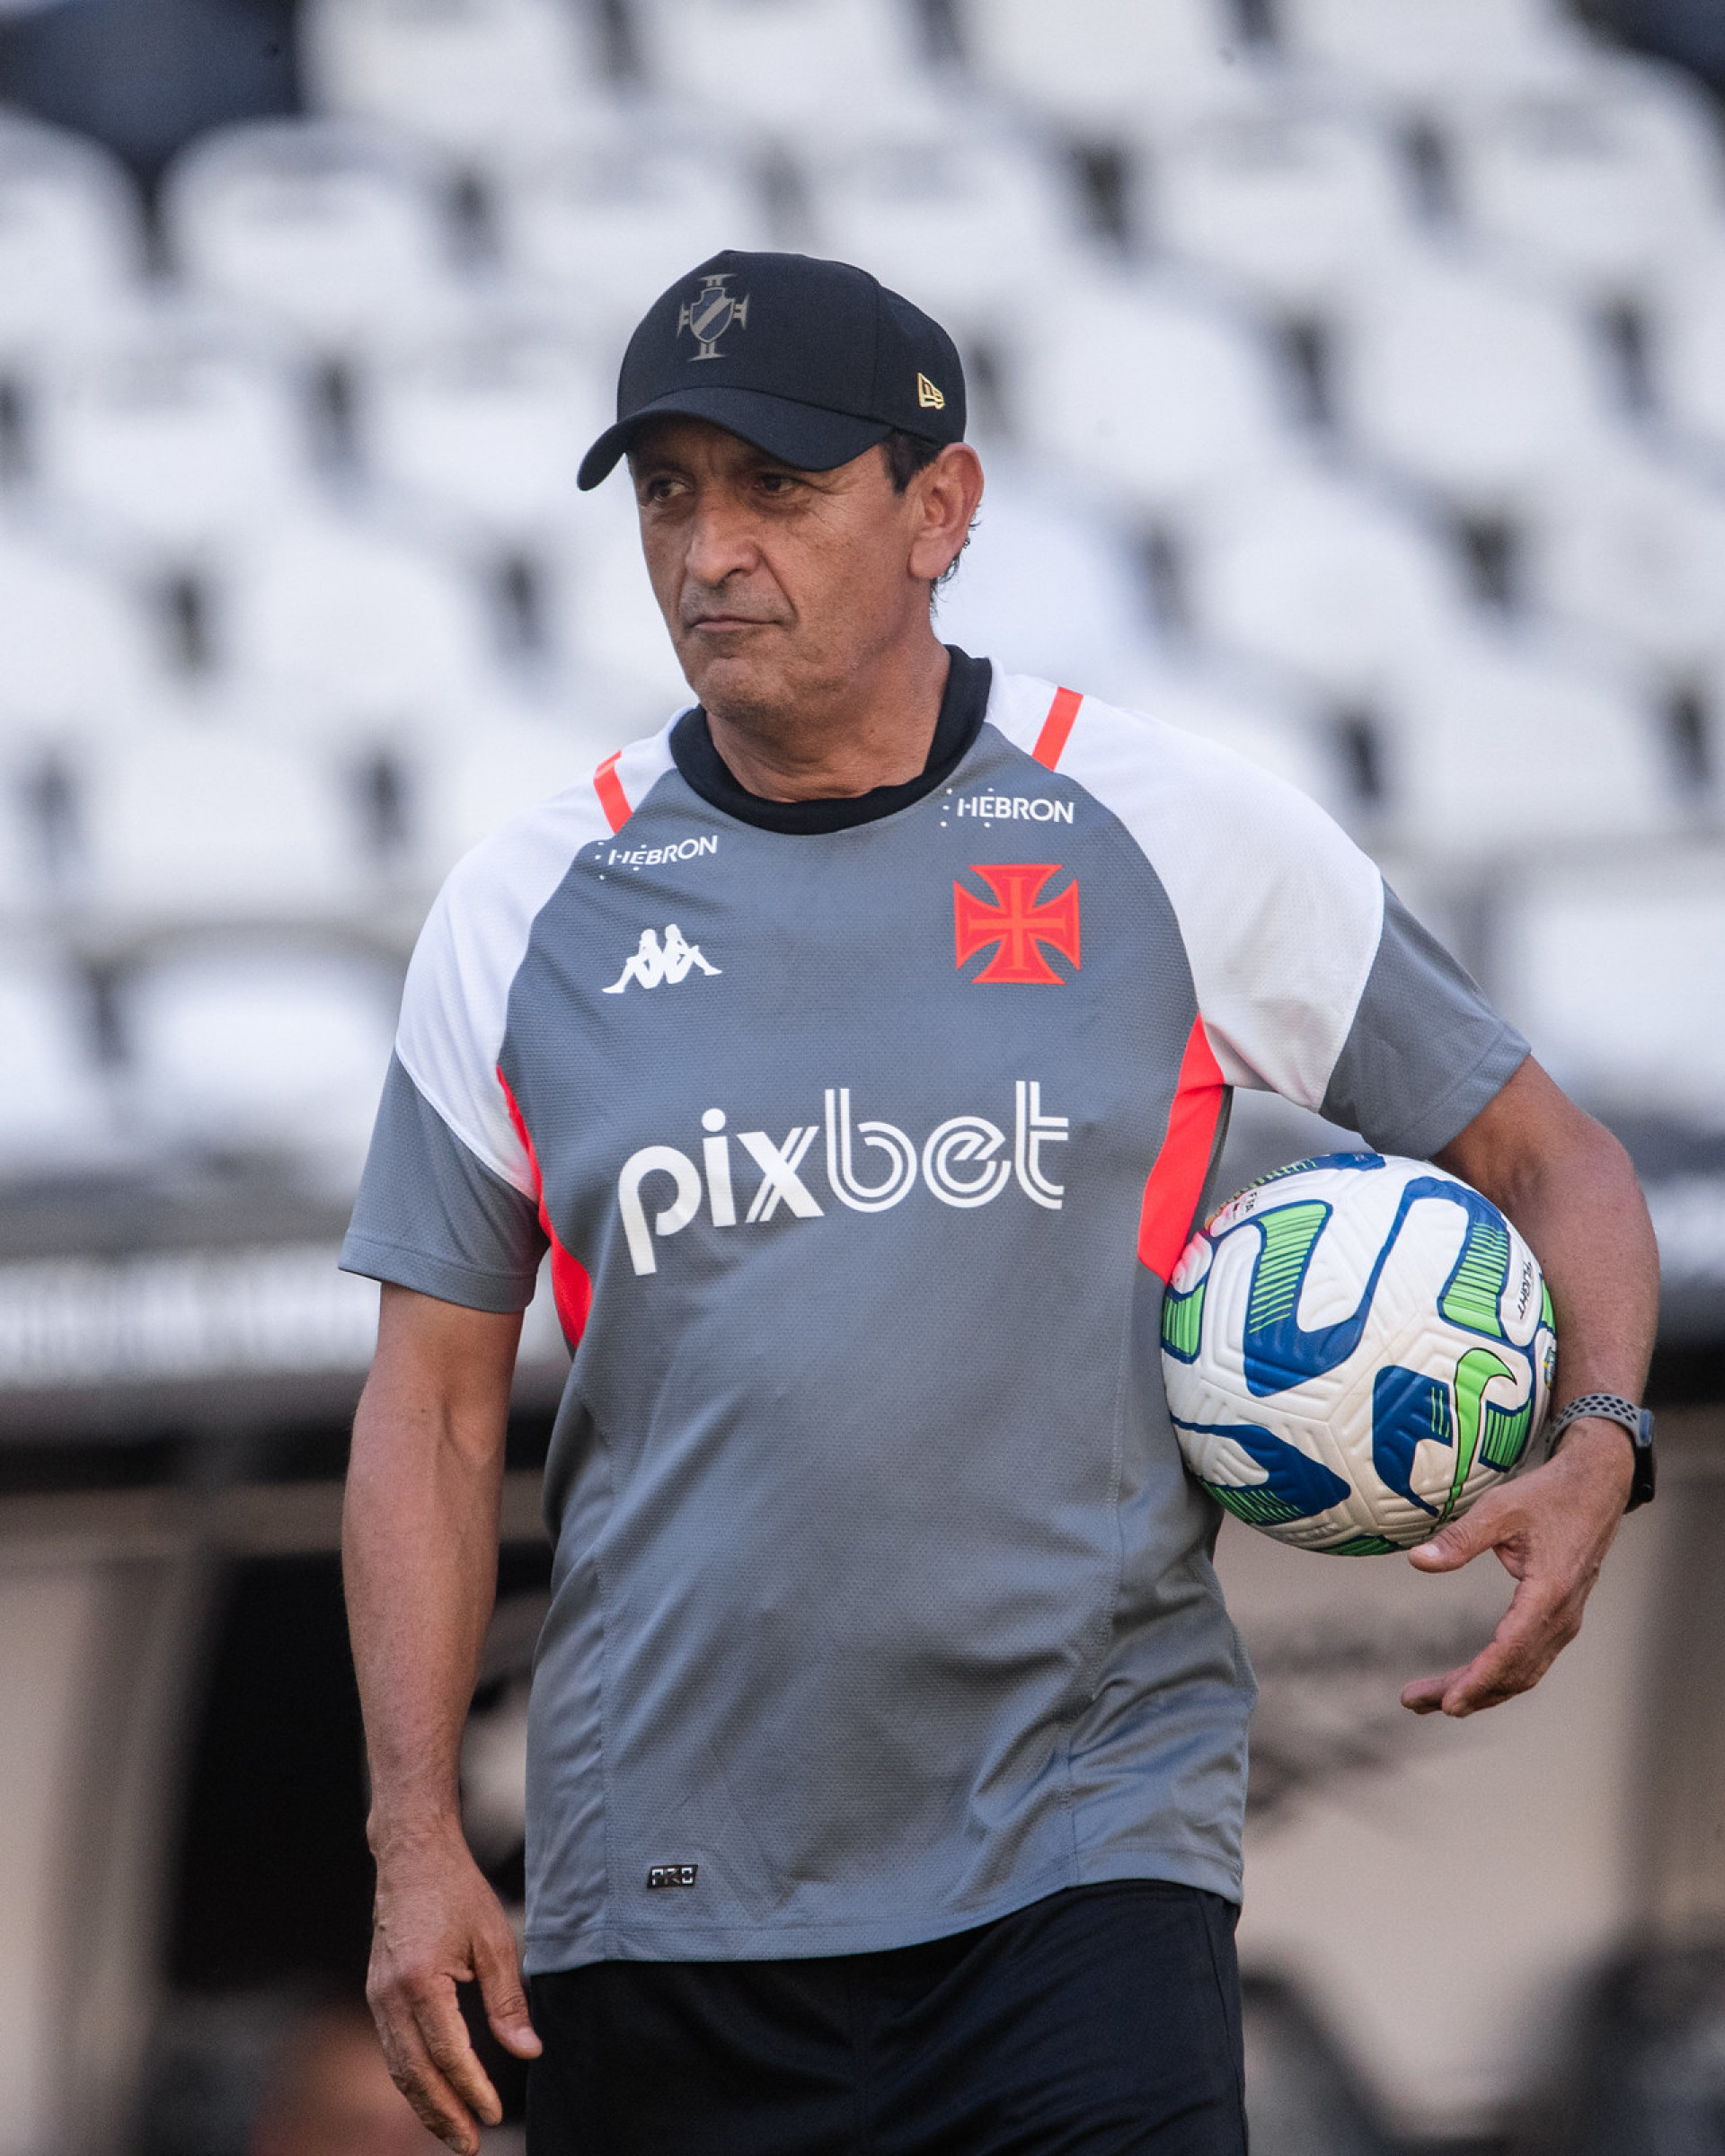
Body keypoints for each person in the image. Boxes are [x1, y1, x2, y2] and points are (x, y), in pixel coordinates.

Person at [340, 251, 1659, 2156]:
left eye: (775, 489)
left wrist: (1604, 1433)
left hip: (1085, 1857)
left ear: (938, 509)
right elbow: (433, 1411)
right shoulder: (529, 905)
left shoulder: (1169, 827)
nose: (710, 551)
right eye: (668, 492)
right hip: (665, 1889)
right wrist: (410, 1846)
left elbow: (1552, 1159)